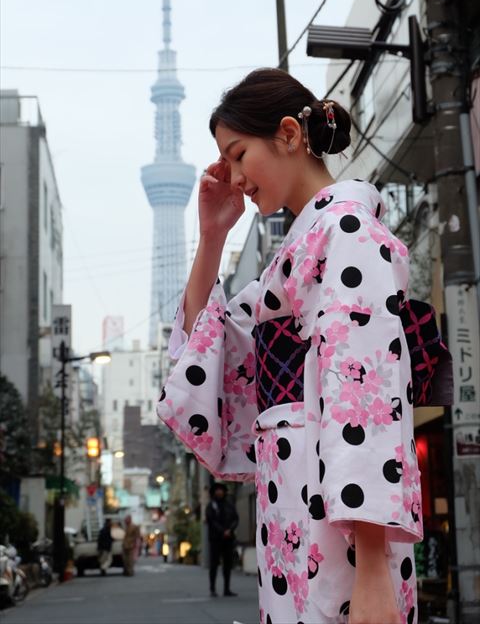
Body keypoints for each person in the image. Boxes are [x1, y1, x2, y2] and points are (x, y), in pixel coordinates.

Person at [156, 68, 428, 624]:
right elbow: (209, 350)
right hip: (291, 509)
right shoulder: (297, 253)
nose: (233, 176)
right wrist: (212, 237)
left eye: (237, 154)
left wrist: (374, 568)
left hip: (343, 529)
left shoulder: (347, 231)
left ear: (287, 134)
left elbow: (364, 395)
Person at [206, 482, 239, 597]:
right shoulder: (211, 505)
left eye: (221, 490)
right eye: (217, 490)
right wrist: (222, 531)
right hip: (215, 539)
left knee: (227, 564)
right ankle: (212, 589)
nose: (219, 492)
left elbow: (236, 518)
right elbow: (211, 521)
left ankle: (226, 589)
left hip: (228, 539)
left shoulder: (229, 504)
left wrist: (230, 530)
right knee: (214, 564)